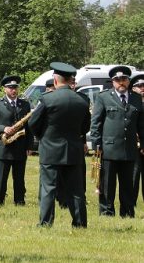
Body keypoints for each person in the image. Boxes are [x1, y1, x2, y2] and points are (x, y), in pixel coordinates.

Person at [28, 62, 90, 228]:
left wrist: (44, 137)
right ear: (70, 80)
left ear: (55, 80)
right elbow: (85, 127)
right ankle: (80, 223)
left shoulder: (48, 99)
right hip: (73, 150)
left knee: (48, 188)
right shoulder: (82, 101)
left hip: (50, 150)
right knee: (76, 191)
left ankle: (46, 223)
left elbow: (33, 123)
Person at [89, 65, 144, 217]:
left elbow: (141, 125)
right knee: (107, 184)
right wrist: (96, 144)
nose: (121, 82)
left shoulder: (136, 98)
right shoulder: (103, 97)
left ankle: (127, 212)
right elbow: (96, 123)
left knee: (128, 184)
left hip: (129, 149)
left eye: (124, 79)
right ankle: (106, 211)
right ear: (112, 82)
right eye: (117, 80)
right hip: (108, 149)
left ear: (128, 81)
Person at [0, 75, 31, 206]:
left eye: (15, 87)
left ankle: (20, 201)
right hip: (3, 147)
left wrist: (29, 146)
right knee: (0, 178)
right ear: (5, 89)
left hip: (20, 146)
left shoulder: (25, 105)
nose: (13, 90)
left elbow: (29, 127)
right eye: (10, 88)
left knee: (20, 178)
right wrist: (4, 128)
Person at [131, 73, 144, 204]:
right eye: (139, 86)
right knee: (133, 177)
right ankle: (131, 204)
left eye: (143, 85)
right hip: (133, 145)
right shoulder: (129, 102)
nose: (142, 88)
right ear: (133, 88)